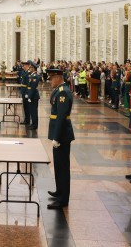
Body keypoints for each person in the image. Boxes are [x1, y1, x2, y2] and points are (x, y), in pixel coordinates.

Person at [46, 68, 74, 209]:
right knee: (58, 165)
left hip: (62, 135)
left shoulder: (63, 92)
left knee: (62, 166)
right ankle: (59, 191)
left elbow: (61, 117)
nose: (50, 81)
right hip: (59, 134)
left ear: (58, 77)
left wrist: (56, 137)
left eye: (51, 78)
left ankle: (63, 199)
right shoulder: (59, 89)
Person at [25, 61, 40, 131]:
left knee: (34, 111)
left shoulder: (35, 76)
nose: (29, 68)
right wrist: (27, 94)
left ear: (34, 68)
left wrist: (30, 96)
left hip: (34, 96)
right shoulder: (32, 75)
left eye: (30, 67)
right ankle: (33, 124)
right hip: (31, 95)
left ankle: (35, 125)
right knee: (32, 110)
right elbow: (29, 86)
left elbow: (33, 88)